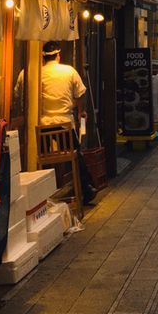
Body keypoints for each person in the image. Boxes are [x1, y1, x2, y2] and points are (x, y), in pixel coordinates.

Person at [39, 40, 96, 205]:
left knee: (44, 158)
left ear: (43, 58)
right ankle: (86, 189)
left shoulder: (35, 73)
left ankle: (43, 194)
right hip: (64, 124)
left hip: (42, 127)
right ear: (58, 55)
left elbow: (18, 94)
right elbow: (80, 94)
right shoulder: (69, 71)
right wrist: (81, 112)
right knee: (76, 156)